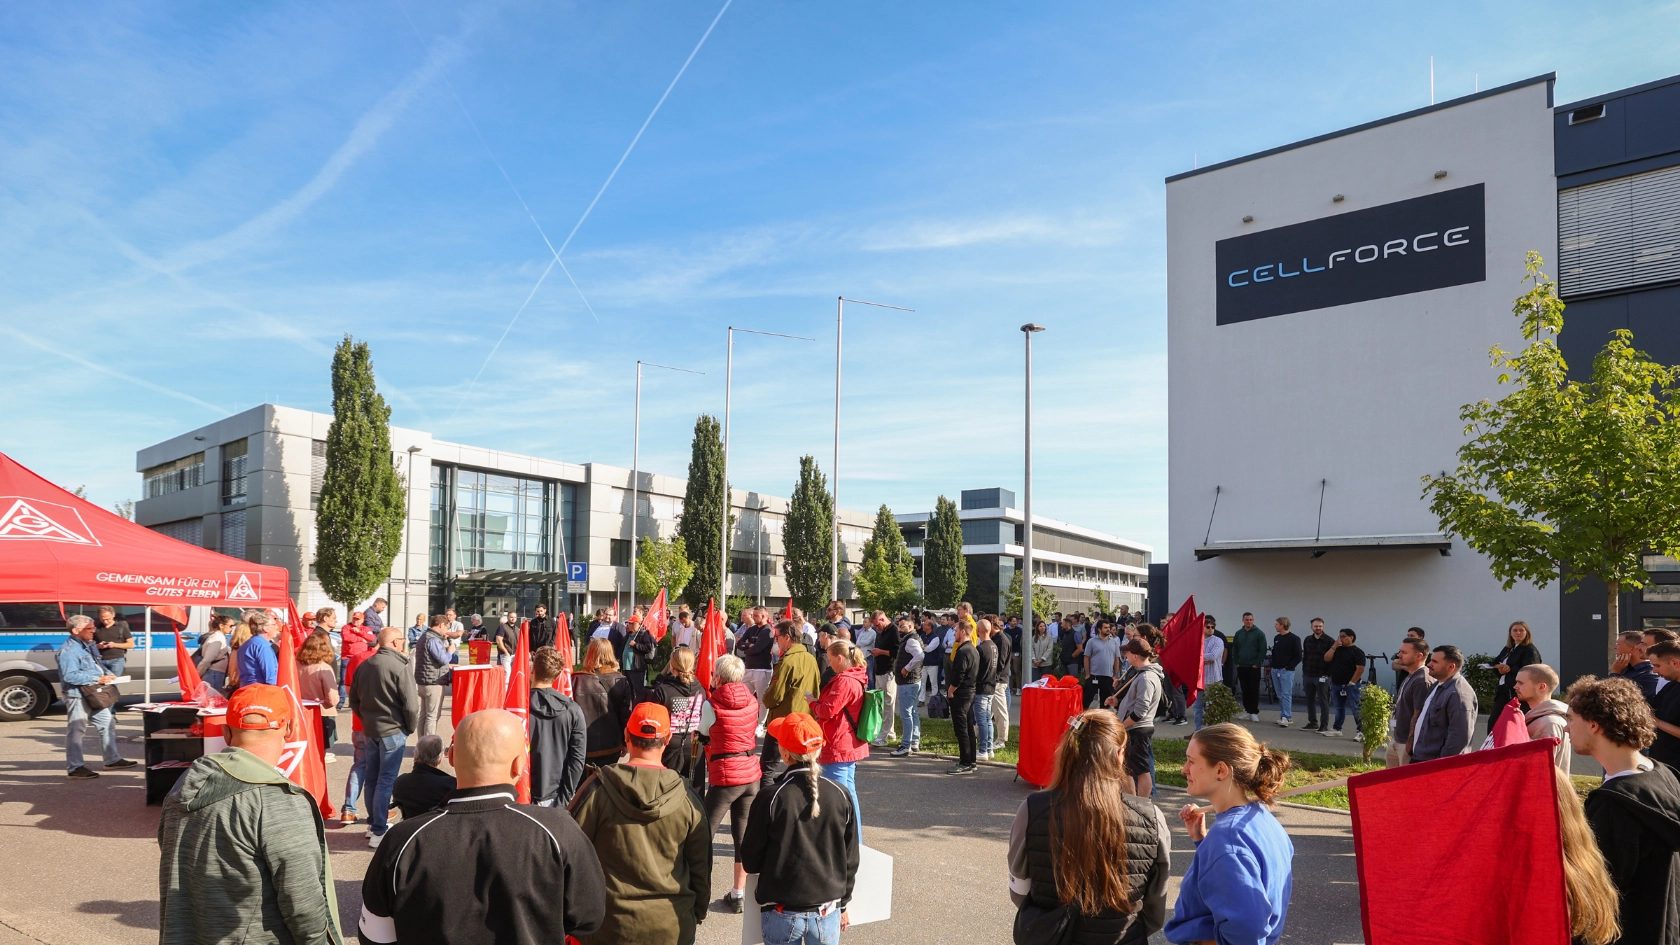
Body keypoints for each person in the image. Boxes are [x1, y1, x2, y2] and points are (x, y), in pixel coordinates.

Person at [358, 709, 606, 945]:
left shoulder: (402, 840)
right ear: (518, 764)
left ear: (451, 758)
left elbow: (374, 936)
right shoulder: (558, 830)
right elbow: (588, 918)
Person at [159, 684, 342, 945]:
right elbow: (302, 901)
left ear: (226, 732)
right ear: (289, 729)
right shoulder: (277, 799)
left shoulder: (183, 784)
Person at [1008, 710, 1171, 945]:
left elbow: (1019, 888)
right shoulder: (1151, 817)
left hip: (1051, 935)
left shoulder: (1032, 809)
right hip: (1123, 937)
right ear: (1119, 755)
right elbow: (1156, 903)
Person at [571, 703, 711, 945]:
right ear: (668, 739)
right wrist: (695, 914)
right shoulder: (688, 799)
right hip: (672, 925)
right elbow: (701, 868)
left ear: (626, 735)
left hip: (609, 927)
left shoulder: (597, 790)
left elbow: (570, 856)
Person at [1568, 675, 1680, 945]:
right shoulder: (1663, 773)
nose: (1566, 728)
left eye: (1570, 719)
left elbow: (1597, 894)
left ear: (1593, 725)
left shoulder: (1614, 804)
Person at [1164, 724, 1294, 945]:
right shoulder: (1261, 818)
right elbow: (1235, 876)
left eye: (1192, 761)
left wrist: (1215, 846)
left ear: (1221, 771)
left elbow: (1248, 929)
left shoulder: (1227, 840)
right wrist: (1203, 843)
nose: (1184, 769)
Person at [739, 712, 860, 944]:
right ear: (819, 749)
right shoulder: (841, 794)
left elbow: (751, 861)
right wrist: (843, 904)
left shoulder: (770, 797)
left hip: (781, 912)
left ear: (785, 754)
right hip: (827, 911)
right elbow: (851, 858)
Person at [348, 627, 419, 848]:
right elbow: (411, 705)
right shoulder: (400, 665)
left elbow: (353, 700)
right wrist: (410, 727)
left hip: (371, 729)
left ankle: (373, 824)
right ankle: (378, 829)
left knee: (372, 778)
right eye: (402, 640)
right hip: (392, 730)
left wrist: (366, 719)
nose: (404, 643)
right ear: (395, 642)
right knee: (385, 780)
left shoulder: (365, 664)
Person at [701, 654, 762, 913]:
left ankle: (698, 892)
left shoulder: (712, 704)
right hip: (750, 772)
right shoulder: (752, 700)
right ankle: (739, 894)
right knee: (743, 837)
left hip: (726, 773)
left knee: (704, 835)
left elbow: (703, 731)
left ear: (718, 676)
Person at [57, 614, 134, 778]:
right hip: (77, 695)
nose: (94, 631)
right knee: (76, 730)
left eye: (93, 628)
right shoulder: (68, 651)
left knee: (107, 722)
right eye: (89, 629)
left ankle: (112, 760)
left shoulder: (87, 645)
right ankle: (75, 768)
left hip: (92, 694)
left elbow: (97, 664)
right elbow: (70, 676)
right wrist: (97, 679)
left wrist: (107, 673)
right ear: (76, 630)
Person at [812, 640, 870, 834]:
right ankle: (854, 840)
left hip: (838, 743)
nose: (829, 665)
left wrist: (812, 702)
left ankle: (840, 841)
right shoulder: (857, 676)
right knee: (849, 795)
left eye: (830, 660)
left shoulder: (844, 680)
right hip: (847, 742)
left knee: (835, 797)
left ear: (840, 658)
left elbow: (827, 711)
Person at [760, 619, 822, 789]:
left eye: (777, 637)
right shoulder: (810, 658)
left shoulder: (787, 661)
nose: (776, 641)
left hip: (783, 721)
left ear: (787, 637)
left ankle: (767, 800)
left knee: (767, 768)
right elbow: (816, 688)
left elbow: (774, 696)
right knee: (803, 766)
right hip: (805, 720)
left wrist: (765, 698)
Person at [530, 645, 589, 807]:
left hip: (522, 796)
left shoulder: (518, 709)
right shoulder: (573, 710)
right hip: (556, 796)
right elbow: (577, 760)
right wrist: (564, 800)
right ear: (557, 675)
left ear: (532, 670)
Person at [1107, 638, 1164, 797]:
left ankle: (1142, 804)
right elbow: (1135, 704)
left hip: (1138, 730)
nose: (1126, 656)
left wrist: (1122, 726)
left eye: (1128, 653)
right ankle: (1132, 801)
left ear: (1136, 656)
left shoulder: (1146, 677)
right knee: (1128, 769)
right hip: (1134, 728)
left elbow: (1140, 711)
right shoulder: (1142, 674)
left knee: (1141, 770)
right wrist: (1118, 703)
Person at [1408, 645, 1477, 763]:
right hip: (1421, 758)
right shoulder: (1437, 685)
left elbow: (1459, 737)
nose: (1429, 664)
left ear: (1451, 667)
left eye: (1435, 662)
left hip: (1435, 764)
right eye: (1430, 660)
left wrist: (1440, 763)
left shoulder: (1459, 694)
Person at [575, 638, 635, 769]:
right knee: (606, 780)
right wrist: (625, 743)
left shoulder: (575, 679)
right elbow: (626, 716)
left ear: (589, 653)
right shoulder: (620, 680)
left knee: (583, 782)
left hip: (582, 746)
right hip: (611, 745)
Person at [650, 647, 707, 783]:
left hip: (669, 746)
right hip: (695, 746)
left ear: (672, 666)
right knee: (694, 791)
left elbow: (654, 721)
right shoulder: (701, 690)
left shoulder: (663, 691)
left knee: (667, 788)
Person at [1512, 663, 1572, 773]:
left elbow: (1542, 768)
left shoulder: (1550, 723)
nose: (1515, 686)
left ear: (1541, 687)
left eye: (1520, 683)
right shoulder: (1537, 716)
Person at [1385, 638, 1434, 768]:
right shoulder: (1411, 674)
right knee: (1390, 778)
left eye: (1404, 652)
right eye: (1400, 651)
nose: (1399, 655)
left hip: (1408, 743)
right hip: (1398, 739)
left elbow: (1419, 714)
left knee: (1404, 779)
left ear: (1419, 656)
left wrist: (1410, 743)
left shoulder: (1422, 680)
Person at [1488, 620, 1542, 727]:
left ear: (1527, 633)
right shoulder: (1508, 649)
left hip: (1518, 693)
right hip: (1503, 690)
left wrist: (1510, 669)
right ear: (1510, 633)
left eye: (1521, 630)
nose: (1518, 633)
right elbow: (1496, 662)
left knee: (1514, 723)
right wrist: (1499, 669)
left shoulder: (1530, 650)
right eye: (1515, 630)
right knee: (1494, 722)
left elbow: (1531, 671)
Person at [298, 630, 341, 762]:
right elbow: (332, 698)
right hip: (322, 711)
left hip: (300, 710)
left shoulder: (295, 664)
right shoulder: (324, 667)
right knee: (319, 749)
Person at [391, 734, 456, 819]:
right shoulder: (451, 786)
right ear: (440, 759)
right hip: (440, 825)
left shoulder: (400, 783)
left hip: (410, 824)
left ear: (415, 754)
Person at [947, 617, 980, 774]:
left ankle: (965, 762)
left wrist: (951, 690)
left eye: (955, 631)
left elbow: (959, 674)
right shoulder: (973, 649)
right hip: (971, 691)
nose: (954, 634)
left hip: (961, 693)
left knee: (961, 729)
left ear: (962, 631)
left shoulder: (963, 651)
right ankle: (972, 760)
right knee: (968, 728)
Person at [413, 614, 454, 738]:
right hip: (434, 682)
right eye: (447, 627)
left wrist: (448, 665)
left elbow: (429, 659)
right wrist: (450, 651)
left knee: (424, 715)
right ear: (441, 625)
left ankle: (421, 743)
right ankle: (428, 745)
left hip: (423, 681)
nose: (447, 630)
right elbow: (443, 659)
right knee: (432, 716)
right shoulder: (433, 639)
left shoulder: (424, 636)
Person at [1320, 628, 1365, 738]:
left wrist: (1352, 682)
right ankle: (1337, 728)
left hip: (1351, 685)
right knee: (1339, 707)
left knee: (1355, 708)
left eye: (1343, 636)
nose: (1341, 639)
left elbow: (1360, 669)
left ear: (1351, 637)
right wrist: (1334, 646)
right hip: (1337, 683)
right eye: (1339, 636)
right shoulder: (1337, 650)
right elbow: (1326, 658)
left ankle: (1362, 731)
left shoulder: (1358, 652)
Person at [891, 618, 926, 756]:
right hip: (912, 681)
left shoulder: (911, 640)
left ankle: (906, 745)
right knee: (913, 712)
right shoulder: (912, 638)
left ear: (910, 626)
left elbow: (920, 655)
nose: (899, 629)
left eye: (902, 626)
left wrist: (906, 668)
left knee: (906, 714)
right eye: (898, 626)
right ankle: (914, 741)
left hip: (908, 682)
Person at [737, 610, 776, 727]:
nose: (753, 617)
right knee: (744, 697)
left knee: (762, 700)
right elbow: (739, 643)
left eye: (756, 615)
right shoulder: (752, 629)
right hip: (749, 668)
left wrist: (747, 649)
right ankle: (746, 721)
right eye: (753, 615)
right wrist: (749, 645)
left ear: (763, 616)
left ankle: (760, 724)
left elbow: (757, 649)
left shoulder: (768, 631)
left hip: (762, 669)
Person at [865, 611, 898, 746]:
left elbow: (897, 652)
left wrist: (881, 652)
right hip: (879, 670)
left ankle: (884, 736)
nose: (876, 628)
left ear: (883, 619)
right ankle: (889, 732)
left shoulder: (894, 630)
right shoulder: (881, 632)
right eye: (874, 626)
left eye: (877, 625)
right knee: (882, 704)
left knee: (888, 704)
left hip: (889, 670)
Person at [974, 618, 1002, 760]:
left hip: (982, 687)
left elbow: (976, 670)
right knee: (987, 719)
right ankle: (989, 748)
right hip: (991, 686)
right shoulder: (993, 646)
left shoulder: (981, 648)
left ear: (979, 630)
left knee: (982, 720)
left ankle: (983, 750)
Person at [1231, 613, 1267, 722]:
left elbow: (1263, 649)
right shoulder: (1239, 633)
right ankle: (1247, 710)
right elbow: (1235, 648)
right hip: (1242, 666)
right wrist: (1236, 661)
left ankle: (1254, 712)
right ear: (1243, 620)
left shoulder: (1259, 633)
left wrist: (1257, 663)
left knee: (1254, 689)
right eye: (1247, 620)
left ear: (1253, 620)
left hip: (1254, 667)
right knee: (1245, 689)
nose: (1249, 622)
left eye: (1251, 619)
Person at [1300, 618, 1333, 732]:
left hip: (1322, 676)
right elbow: (1305, 657)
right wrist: (1304, 671)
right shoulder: (1307, 640)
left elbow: (1332, 660)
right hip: (1308, 675)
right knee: (1310, 701)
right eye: (1316, 626)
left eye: (1320, 626)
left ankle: (1324, 725)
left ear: (1323, 627)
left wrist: (1328, 675)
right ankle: (1312, 723)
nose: (1318, 628)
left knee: (1323, 702)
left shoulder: (1330, 641)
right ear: (1311, 627)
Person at [1266, 617, 1300, 727]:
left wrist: (1288, 667)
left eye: (1276, 624)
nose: (1275, 626)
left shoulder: (1294, 639)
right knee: (1280, 694)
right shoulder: (1277, 638)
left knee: (1286, 694)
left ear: (1282, 625)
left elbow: (1298, 656)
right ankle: (1284, 715)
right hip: (1275, 669)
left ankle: (1286, 716)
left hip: (1286, 671)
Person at [1611, 630, 1661, 703]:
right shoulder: (1624, 668)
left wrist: (1615, 674)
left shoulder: (1648, 675)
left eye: (1618, 644)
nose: (1615, 647)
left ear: (1632, 648)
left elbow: (1615, 698)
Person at [1084, 619, 1123, 710]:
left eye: (1108, 627)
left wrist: (1115, 676)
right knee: (1086, 700)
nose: (1108, 629)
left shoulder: (1114, 642)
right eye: (1105, 627)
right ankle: (1083, 717)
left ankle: (1102, 718)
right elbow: (1086, 658)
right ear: (1099, 629)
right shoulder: (1091, 641)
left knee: (1105, 704)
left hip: (1108, 677)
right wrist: (1087, 674)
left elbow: (1116, 660)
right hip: (1093, 676)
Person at [236, 610, 280, 689]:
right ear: (266, 628)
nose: (277, 627)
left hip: (245, 688)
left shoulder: (246, 645)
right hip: (259, 690)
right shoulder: (264, 646)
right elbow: (270, 677)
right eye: (274, 624)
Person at [1195, 616, 1224, 729]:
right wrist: (1202, 659)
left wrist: (1198, 658)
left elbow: (1213, 656)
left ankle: (1211, 730)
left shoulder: (1218, 641)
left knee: (1211, 706)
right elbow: (1190, 655)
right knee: (1197, 707)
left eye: (1212, 627)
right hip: (1199, 679)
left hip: (1213, 679)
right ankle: (1198, 730)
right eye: (1208, 627)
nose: (1211, 629)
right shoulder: (1197, 640)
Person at [196, 613, 234, 694]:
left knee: (213, 697)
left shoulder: (219, 637)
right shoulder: (217, 639)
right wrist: (198, 673)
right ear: (221, 626)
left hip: (215, 673)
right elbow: (207, 659)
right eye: (230, 626)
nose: (232, 628)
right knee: (212, 698)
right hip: (213, 673)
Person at [992, 613, 1015, 746]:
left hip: (999, 681)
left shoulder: (1002, 640)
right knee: (987, 711)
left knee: (1000, 711)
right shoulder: (995, 638)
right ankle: (976, 732)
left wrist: (994, 678)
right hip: (993, 680)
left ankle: (1002, 739)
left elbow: (1000, 663)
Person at [91, 605, 134, 675]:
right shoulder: (96, 628)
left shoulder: (121, 627)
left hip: (117, 660)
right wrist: (98, 646)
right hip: (100, 660)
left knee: (113, 681)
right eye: (102, 619)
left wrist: (114, 645)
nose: (105, 622)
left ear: (113, 615)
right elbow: (90, 644)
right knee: (102, 681)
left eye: (108, 619)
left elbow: (131, 645)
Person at [1030, 618, 1052, 684]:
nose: (1043, 628)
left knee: (1045, 682)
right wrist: (1034, 659)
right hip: (1035, 664)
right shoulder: (1034, 637)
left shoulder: (1049, 637)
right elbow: (1031, 649)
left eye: (1044, 626)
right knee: (1035, 682)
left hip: (1045, 664)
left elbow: (1049, 649)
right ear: (1037, 628)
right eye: (1041, 626)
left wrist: (1042, 659)